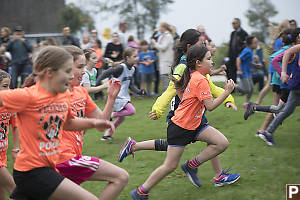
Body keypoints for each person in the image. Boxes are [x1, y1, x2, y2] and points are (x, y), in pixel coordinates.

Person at [119, 29, 239, 188]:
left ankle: (215, 174)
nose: (205, 46)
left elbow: (209, 87)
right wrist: (158, 108)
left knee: (212, 141)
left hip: (195, 111)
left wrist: (227, 99)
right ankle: (138, 157)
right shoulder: (183, 67)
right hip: (181, 113)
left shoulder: (198, 68)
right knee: (173, 150)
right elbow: (170, 89)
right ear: (190, 47)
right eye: (201, 43)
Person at [5, 46, 115, 200]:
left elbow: (68, 123)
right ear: (50, 73)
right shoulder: (28, 96)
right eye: (67, 71)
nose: (71, 76)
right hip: (32, 170)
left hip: (49, 168)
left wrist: (94, 123)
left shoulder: (60, 97)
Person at [55, 45, 129, 200]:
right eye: (80, 67)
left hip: (72, 156)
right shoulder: (55, 95)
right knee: (120, 176)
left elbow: (101, 124)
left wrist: (111, 98)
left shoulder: (81, 92)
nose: (84, 71)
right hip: (62, 158)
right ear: (65, 67)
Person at [244, 28, 300, 121]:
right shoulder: (290, 49)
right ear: (297, 38)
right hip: (285, 82)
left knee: (280, 107)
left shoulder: (295, 49)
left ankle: (256, 109)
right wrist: (282, 73)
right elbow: (273, 59)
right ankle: (267, 128)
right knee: (280, 107)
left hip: (290, 82)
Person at [96, 48, 145, 140]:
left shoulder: (133, 69)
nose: (137, 58)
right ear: (127, 57)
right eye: (134, 56)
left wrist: (139, 91)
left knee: (121, 118)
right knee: (131, 111)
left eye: (137, 56)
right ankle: (111, 115)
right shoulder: (121, 67)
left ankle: (106, 135)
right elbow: (106, 72)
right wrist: (97, 82)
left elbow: (131, 86)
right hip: (117, 95)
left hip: (124, 96)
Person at [257, 43, 300, 146]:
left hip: (294, 84)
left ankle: (268, 132)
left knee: (284, 110)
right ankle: (254, 108)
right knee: (281, 109)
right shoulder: (292, 48)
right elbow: (276, 59)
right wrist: (283, 73)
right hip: (296, 84)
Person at [0, 70, 19, 200]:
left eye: (9, 86)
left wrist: (16, 148)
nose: (9, 89)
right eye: (5, 86)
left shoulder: (9, 105)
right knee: (15, 189)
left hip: (3, 156)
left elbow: (16, 125)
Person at [235, 35, 258, 107]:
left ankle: (246, 103)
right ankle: (234, 86)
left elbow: (247, 61)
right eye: (255, 43)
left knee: (251, 89)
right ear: (250, 44)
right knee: (247, 90)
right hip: (243, 73)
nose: (256, 44)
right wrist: (239, 70)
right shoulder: (247, 50)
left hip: (248, 73)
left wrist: (254, 64)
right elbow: (238, 59)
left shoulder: (250, 51)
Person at [151, 22, 174, 92]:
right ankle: (165, 95)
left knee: (166, 78)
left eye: (160, 27)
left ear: (164, 28)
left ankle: (167, 96)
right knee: (163, 78)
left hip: (167, 60)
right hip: (161, 59)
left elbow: (163, 47)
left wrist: (154, 43)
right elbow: (156, 47)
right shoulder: (161, 36)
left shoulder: (168, 36)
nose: (159, 28)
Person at [228, 18, 248, 83]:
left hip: (240, 57)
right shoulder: (232, 33)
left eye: (234, 23)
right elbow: (231, 45)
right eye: (232, 23)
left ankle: (244, 87)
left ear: (238, 24)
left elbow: (246, 45)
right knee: (231, 71)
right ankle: (232, 86)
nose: (233, 25)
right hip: (232, 56)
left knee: (241, 72)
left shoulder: (244, 33)